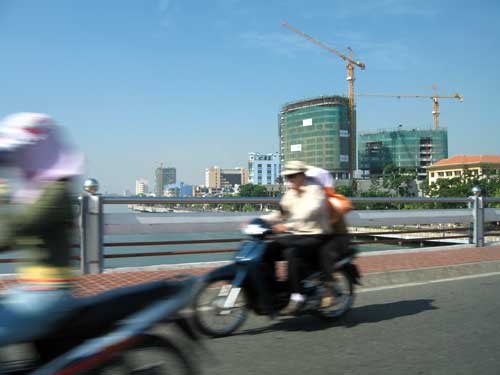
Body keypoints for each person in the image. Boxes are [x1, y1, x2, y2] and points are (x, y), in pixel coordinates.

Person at [0, 112, 83, 345]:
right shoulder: (33, 191)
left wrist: (3, 196)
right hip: (27, 289)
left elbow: (16, 230)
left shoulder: (55, 192)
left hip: (48, 294)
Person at [261, 160, 332, 314]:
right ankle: (276, 290)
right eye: (288, 177)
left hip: (317, 235)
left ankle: (297, 295)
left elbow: (309, 211)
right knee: (268, 249)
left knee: (291, 252)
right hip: (298, 234)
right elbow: (281, 213)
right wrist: (260, 221)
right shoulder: (291, 192)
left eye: (293, 176)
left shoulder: (315, 190)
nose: (290, 180)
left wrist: (288, 226)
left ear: (302, 175)